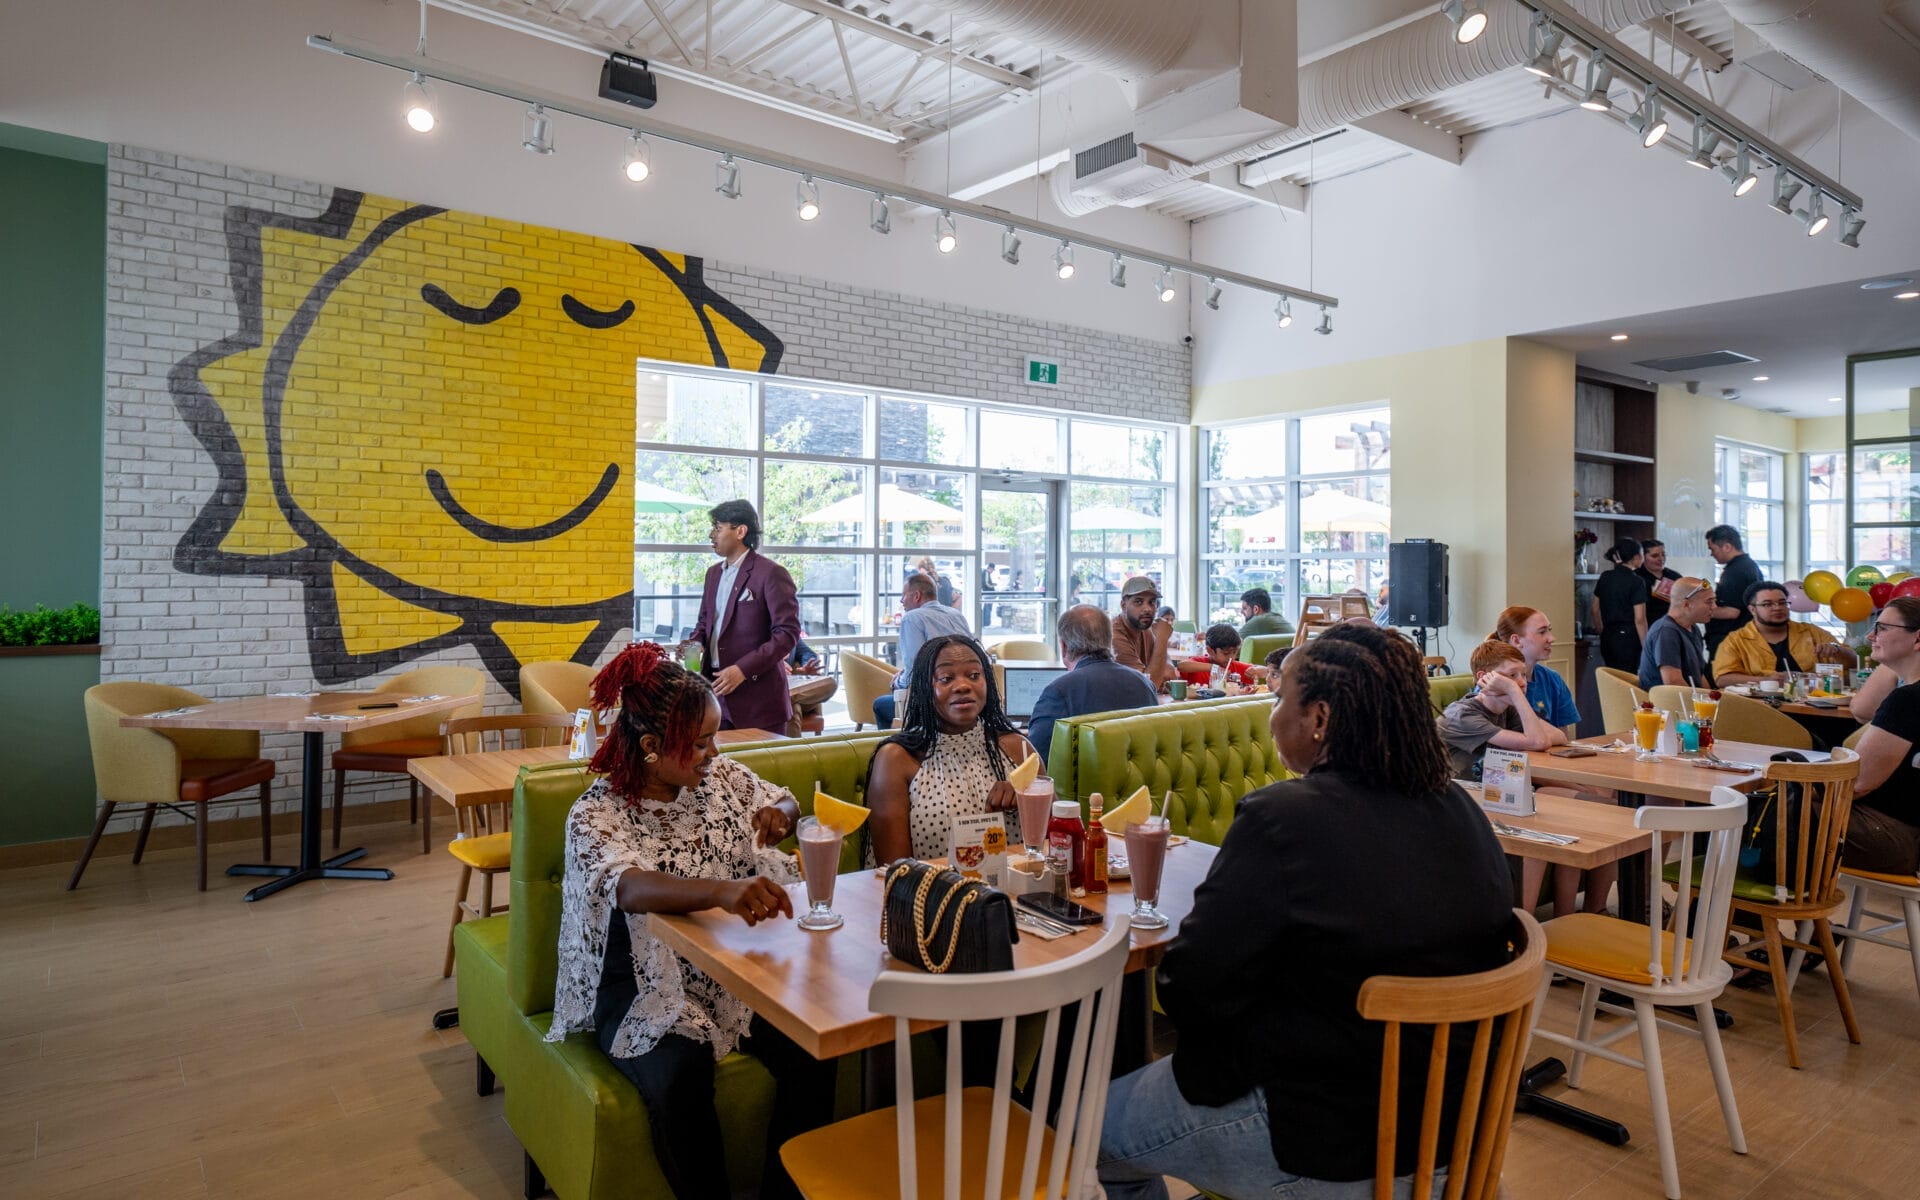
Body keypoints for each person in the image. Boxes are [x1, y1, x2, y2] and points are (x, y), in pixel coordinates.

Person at [1096, 623, 1513, 1200]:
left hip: (1320, 1141)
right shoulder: (1461, 811)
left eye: (1277, 699)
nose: (1271, 716)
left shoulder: (1282, 818)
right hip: (1455, 1138)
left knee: (1072, 1130)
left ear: (1318, 719)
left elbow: (1190, 989)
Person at [547, 642, 835, 1200]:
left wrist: (782, 814)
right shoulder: (595, 813)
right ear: (652, 747)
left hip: (731, 966)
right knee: (682, 1074)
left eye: (713, 736)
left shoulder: (719, 778)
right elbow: (628, 887)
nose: (713, 752)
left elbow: (784, 798)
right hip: (637, 984)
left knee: (812, 1046)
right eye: (699, 742)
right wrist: (722, 892)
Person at [1439, 642, 1615, 917]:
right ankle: (1525, 923)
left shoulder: (1507, 711)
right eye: (1511, 675)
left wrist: (1514, 698)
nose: (1521, 682)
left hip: (1507, 794)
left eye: (1523, 675)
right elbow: (1536, 740)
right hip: (1469, 802)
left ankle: (1582, 912)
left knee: (1599, 805)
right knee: (1547, 821)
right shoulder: (1463, 715)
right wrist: (1515, 695)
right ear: (1483, 677)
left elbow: (1556, 737)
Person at [867, 635, 1038, 859]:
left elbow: (1055, 840)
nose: (963, 686)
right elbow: (895, 870)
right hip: (932, 892)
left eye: (974, 675)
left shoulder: (1018, 749)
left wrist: (1027, 800)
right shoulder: (897, 759)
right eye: (946, 679)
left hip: (1014, 891)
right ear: (924, 690)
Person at [682, 500, 799, 733]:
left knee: (761, 769)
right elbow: (705, 623)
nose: (711, 534)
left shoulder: (771, 573)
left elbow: (787, 633)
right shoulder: (713, 574)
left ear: (740, 531)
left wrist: (742, 670)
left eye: (717, 527)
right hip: (714, 692)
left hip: (758, 701)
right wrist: (695, 642)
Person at [1846, 597, 1920, 875]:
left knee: (1758, 813)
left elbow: (1857, 783)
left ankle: (1736, 916)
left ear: (1917, 639)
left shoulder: (1908, 700)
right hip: (1905, 831)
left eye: (1883, 628)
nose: (1870, 636)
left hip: (1894, 836)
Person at [1026, 605, 1159, 759]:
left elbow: (1035, 761)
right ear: (1109, 641)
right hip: (1140, 783)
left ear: (1064, 646)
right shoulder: (1144, 685)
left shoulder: (1059, 692)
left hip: (1082, 783)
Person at [1711, 580, 1858, 687]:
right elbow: (1722, 678)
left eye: (1782, 603)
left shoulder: (1811, 632)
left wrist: (1837, 650)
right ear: (1752, 609)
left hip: (1815, 703)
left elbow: (1854, 663)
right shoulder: (1736, 640)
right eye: (1768, 604)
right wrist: (1765, 681)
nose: (1778, 608)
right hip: (1762, 708)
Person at [872, 573, 970, 728]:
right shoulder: (957, 615)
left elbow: (916, 671)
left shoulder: (912, 618)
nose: (901, 600)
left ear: (916, 596)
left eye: (904, 595)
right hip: (963, 694)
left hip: (932, 701)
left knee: (879, 705)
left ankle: (898, 748)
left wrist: (898, 681)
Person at [1489, 606, 1580, 736]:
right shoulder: (1494, 683)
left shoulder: (1553, 679)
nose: (1551, 638)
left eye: (1549, 630)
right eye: (1542, 632)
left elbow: (1563, 738)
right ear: (1516, 640)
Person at [1638, 576, 1714, 691]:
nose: (1714, 607)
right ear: (1686, 604)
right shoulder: (1666, 632)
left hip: (1688, 701)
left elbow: (1699, 676)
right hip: (1668, 705)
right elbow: (1673, 683)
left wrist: (1713, 699)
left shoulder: (1693, 628)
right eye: (1709, 602)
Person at [1590, 537, 1650, 674]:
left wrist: (1601, 631)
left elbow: (1594, 609)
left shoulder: (1605, 576)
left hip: (1608, 636)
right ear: (1636, 557)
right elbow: (1640, 619)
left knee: (1612, 678)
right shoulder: (1637, 581)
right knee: (1628, 680)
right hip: (1628, 638)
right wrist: (1646, 646)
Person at [1703, 525, 1763, 659]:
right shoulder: (1750, 565)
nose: (1711, 554)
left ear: (1727, 547)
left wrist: (1700, 609)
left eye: (1712, 549)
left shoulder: (1734, 572)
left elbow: (1731, 611)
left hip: (1729, 639)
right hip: (1746, 636)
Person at [1111, 576, 1178, 690]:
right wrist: (1162, 639)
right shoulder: (1113, 635)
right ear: (1123, 606)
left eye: (1152, 602)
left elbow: (1170, 674)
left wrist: (1163, 669)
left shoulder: (1146, 630)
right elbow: (1147, 687)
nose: (1147, 609)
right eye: (1138, 602)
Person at [781, 639, 836, 738]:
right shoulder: (758, 634)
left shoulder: (789, 632)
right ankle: (795, 753)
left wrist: (805, 666)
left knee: (830, 683)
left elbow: (808, 653)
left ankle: (785, 697)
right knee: (791, 708)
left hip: (795, 692)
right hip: (772, 690)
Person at [1188, 623, 1255, 688]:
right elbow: (1181, 666)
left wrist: (1260, 671)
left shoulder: (1236, 666)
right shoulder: (1199, 663)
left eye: (1234, 652)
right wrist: (1214, 668)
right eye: (1226, 653)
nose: (1231, 658)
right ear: (1210, 651)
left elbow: (1258, 669)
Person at [1637, 538, 1681, 624]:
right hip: (1649, 627)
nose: (1661, 559)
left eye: (1663, 555)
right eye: (1655, 556)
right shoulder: (1637, 578)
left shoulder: (1673, 576)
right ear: (1642, 557)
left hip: (1673, 626)